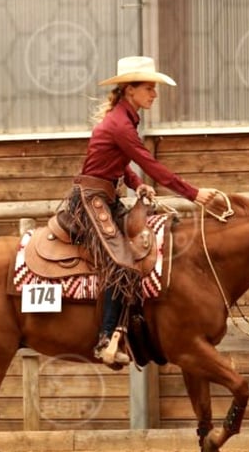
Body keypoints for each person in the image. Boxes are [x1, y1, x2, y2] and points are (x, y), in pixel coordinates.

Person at [65, 56, 217, 365]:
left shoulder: (126, 119)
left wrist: (136, 184)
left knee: (136, 248)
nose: (154, 94)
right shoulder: (121, 124)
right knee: (122, 260)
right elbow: (151, 165)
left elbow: (118, 162)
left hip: (105, 197)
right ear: (129, 90)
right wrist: (193, 193)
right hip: (90, 200)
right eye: (149, 88)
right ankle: (106, 338)